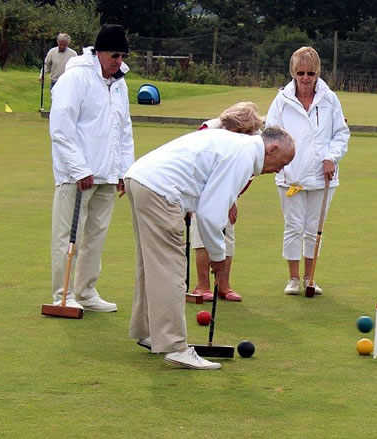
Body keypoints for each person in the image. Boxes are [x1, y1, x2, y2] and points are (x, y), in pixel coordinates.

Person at [124, 127, 294, 370]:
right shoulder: (244, 155)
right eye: (283, 162)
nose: (281, 169)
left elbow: (207, 202)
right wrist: (218, 256)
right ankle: (175, 347)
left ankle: (149, 331)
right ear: (273, 148)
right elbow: (210, 215)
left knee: (151, 265)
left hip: (141, 179)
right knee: (171, 269)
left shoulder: (240, 146)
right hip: (160, 190)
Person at [49, 24, 134, 312]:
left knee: (95, 237)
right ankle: (63, 294)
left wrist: (124, 171)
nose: (118, 61)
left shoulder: (120, 83)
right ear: (98, 52)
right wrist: (78, 168)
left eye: (122, 55)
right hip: (77, 176)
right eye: (114, 54)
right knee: (67, 236)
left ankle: (86, 292)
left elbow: (124, 130)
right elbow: (61, 127)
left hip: (107, 175)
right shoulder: (76, 78)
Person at [266, 46, 350, 296]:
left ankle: (309, 278)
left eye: (310, 73)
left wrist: (331, 158)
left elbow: (341, 133)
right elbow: (271, 133)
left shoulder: (330, 99)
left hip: (322, 177)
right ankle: (293, 278)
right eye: (300, 73)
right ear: (293, 72)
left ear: (317, 73)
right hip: (290, 177)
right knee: (293, 227)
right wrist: (278, 160)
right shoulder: (282, 100)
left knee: (313, 230)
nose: (305, 78)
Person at [190, 102, 265, 302]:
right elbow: (196, 168)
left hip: (227, 190)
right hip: (200, 189)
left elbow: (246, 175)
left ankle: (223, 285)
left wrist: (231, 200)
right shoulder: (208, 131)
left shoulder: (254, 139)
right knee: (202, 235)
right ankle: (202, 285)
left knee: (227, 235)